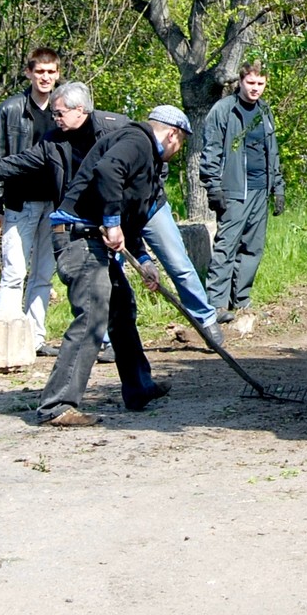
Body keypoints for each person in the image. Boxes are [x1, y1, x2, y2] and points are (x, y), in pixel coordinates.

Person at [0, 83, 222, 353]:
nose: (54, 118)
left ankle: (206, 320)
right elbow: (17, 163)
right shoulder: (53, 141)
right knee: (108, 275)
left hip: (147, 206)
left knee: (178, 264)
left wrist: (148, 191)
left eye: (59, 113)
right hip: (105, 213)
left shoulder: (115, 126)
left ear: (79, 110)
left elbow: (151, 156)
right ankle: (107, 340)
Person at [33, 105, 191, 427]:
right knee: (94, 311)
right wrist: (111, 221)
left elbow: (129, 222)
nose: (178, 151)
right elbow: (108, 172)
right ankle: (57, 405)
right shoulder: (137, 140)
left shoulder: (148, 163)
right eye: (182, 144)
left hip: (94, 239)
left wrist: (144, 261)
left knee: (121, 307)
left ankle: (139, 387)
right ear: (172, 134)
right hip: (78, 236)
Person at [0, 48, 62, 351]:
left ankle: (35, 338)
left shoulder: (62, 108)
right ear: (29, 73)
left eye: (51, 72)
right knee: (14, 272)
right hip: (19, 203)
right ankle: (6, 344)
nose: (45, 77)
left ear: (57, 74)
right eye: (40, 71)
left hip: (54, 206)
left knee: (43, 275)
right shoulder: (11, 109)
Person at [199, 61, 283, 337]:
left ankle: (241, 300)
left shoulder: (265, 111)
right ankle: (217, 304)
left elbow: (274, 151)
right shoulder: (223, 110)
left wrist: (278, 188)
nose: (255, 88)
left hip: (261, 189)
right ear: (241, 81)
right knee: (227, 246)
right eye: (251, 83)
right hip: (234, 189)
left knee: (253, 248)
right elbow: (210, 151)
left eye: (260, 84)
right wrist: (213, 187)